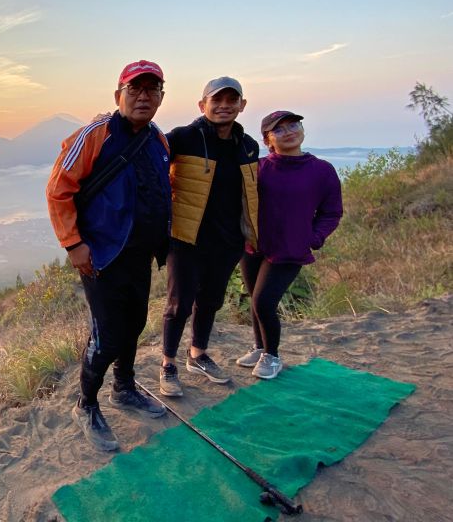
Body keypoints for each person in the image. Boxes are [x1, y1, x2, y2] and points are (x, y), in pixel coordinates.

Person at [46, 60, 172, 451]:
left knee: (134, 323)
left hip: (139, 253)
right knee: (108, 334)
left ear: (161, 98)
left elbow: (163, 190)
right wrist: (73, 244)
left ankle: (124, 387)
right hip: (99, 256)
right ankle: (86, 404)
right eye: (134, 89)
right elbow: (57, 190)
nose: (143, 96)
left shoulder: (158, 140)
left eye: (151, 90)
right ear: (118, 94)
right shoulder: (95, 135)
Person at [159, 77, 259, 397]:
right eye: (217, 100)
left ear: (242, 106)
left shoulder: (248, 146)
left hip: (228, 241)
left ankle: (197, 355)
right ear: (202, 105)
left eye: (232, 100)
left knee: (211, 301)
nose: (224, 106)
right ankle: (168, 364)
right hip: (185, 239)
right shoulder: (183, 138)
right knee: (179, 303)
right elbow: (149, 160)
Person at [236, 111, 343, 379]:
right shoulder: (258, 168)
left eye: (293, 125)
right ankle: (259, 347)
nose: (289, 132)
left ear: (302, 130)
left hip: (290, 249)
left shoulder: (321, 171)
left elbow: (331, 212)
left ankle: (272, 356)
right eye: (279, 130)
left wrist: (313, 238)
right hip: (254, 246)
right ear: (268, 139)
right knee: (254, 299)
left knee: (263, 302)